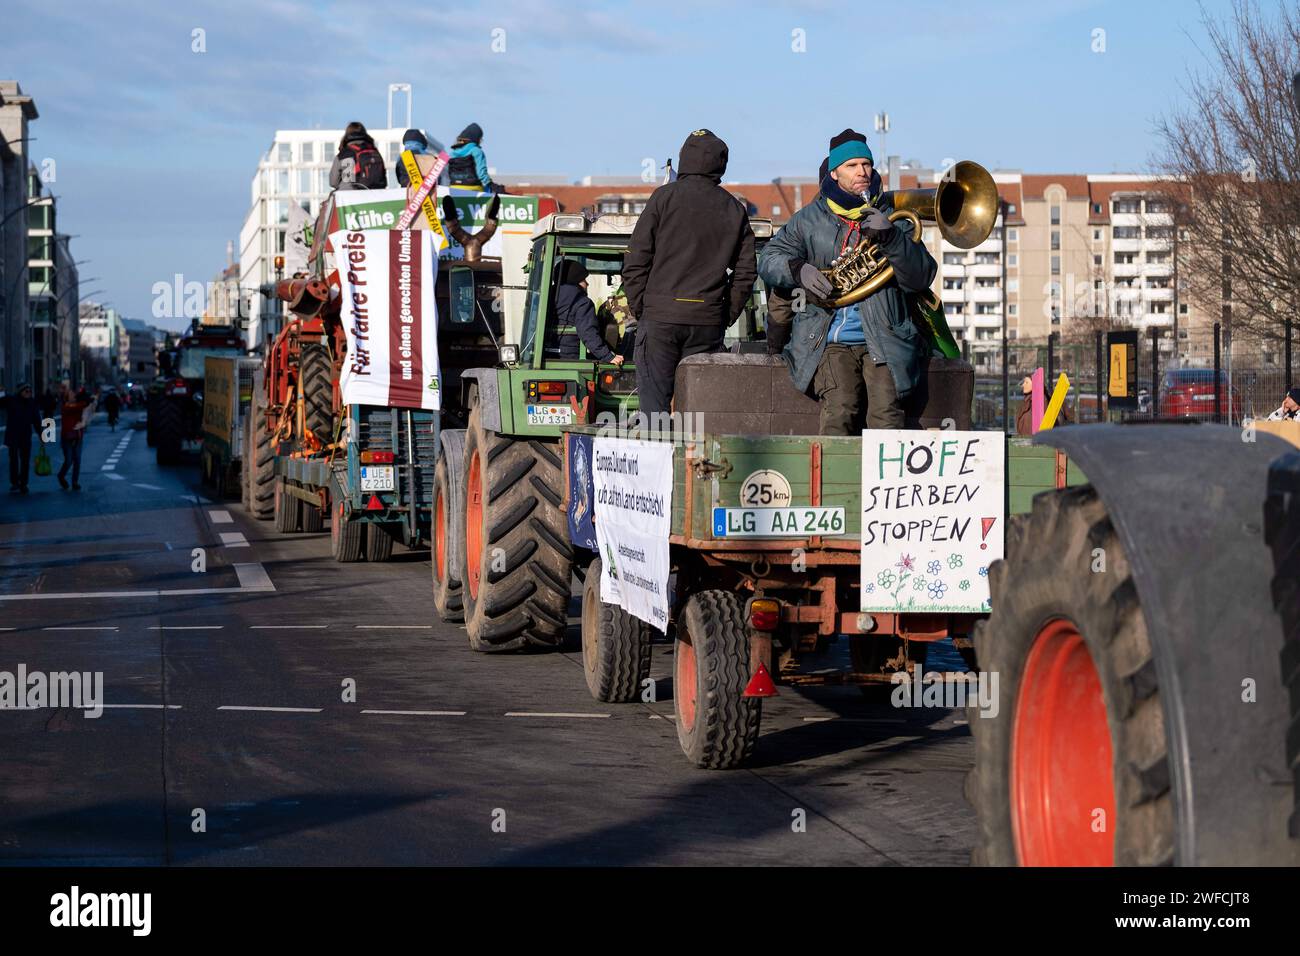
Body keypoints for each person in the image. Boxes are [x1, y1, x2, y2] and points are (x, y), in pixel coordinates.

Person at [758, 129, 937, 434]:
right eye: (852, 166)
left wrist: (892, 238)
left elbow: (921, 276)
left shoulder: (892, 216)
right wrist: (798, 269)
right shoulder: (808, 219)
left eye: (866, 164)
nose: (862, 172)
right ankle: (833, 483)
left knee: (887, 418)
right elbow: (768, 260)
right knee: (839, 411)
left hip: (884, 336)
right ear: (835, 172)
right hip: (827, 338)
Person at [623, 129, 757, 416]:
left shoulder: (662, 199)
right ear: (721, 163)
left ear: (684, 159)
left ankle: (659, 457)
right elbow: (746, 272)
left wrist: (643, 309)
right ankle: (696, 462)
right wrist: (724, 315)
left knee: (654, 413)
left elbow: (636, 260)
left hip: (659, 319)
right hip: (707, 321)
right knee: (699, 414)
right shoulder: (734, 208)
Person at [544, 261, 624, 365]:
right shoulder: (582, 302)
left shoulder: (546, 298)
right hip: (570, 357)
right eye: (584, 280)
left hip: (546, 354)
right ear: (575, 281)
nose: (587, 283)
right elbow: (588, 332)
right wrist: (608, 356)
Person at [1, 383, 43, 493]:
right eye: (26, 391)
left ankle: (23, 483)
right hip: (13, 435)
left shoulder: (32, 403)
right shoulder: (11, 400)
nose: (29, 393)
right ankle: (15, 482)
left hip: (25, 435)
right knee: (13, 460)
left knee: (25, 460)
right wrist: (1, 392)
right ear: (20, 391)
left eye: (30, 391)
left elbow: (36, 420)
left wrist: (41, 435)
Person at [329, 122, 388, 191]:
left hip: (349, 196)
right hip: (376, 194)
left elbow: (333, 182)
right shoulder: (374, 151)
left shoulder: (344, 154)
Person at [57, 386, 94, 491]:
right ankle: (61, 476)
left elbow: (87, 412)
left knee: (77, 460)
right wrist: (86, 401)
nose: (74, 395)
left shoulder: (78, 405)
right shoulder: (66, 407)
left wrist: (87, 401)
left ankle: (75, 482)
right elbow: (78, 407)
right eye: (71, 394)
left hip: (77, 436)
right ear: (66, 398)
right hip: (67, 438)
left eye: (74, 393)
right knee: (68, 461)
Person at [447, 123, 496, 192]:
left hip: (453, 187)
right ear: (476, 138)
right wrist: (491, 184)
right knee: (488, 191)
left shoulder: (452, 153)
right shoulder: (476, 151)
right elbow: (481, 174)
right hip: (472, 187)